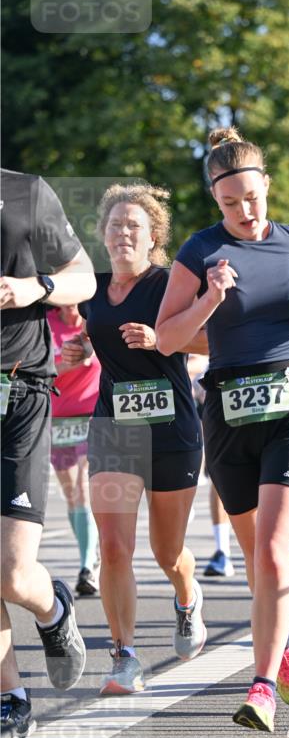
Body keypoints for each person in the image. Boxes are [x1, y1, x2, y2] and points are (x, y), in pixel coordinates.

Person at [155, 126, 289, 733]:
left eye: (253, 198)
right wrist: (209, 299)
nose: (244, 211)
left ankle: (261, 687)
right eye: (230, 202)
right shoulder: (199, 251)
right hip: (229, 410)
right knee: (257, 559)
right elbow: (167, 338)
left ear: (268, 188)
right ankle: (285, 642)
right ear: (216, 199)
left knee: (272, 549)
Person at [61, 183, 205, 694]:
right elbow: (94, 329)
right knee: (114, 546)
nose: (124, 233)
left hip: (171, 431)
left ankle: (187, 597)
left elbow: (212, 337)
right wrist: (83, 348)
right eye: (116, 225)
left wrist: (162, 339)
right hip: (115, 428)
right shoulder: (92, 288)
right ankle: (124, 656)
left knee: (168, 552)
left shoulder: (170, 284)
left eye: (134, 226)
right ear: (103, 235)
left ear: (153, 238)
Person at [1, 168, 95, 738]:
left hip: (21, 391)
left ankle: (53, 607)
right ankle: (10, 697)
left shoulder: (25, 191)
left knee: (12, 572)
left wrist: (34, 287)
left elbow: (82, 278)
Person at [48, 303, 101, 595]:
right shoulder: (47, 324)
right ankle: (90, 551)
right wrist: (70, 364)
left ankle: (86, 566)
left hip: (92, 414)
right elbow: (39, 369)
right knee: (71, 494)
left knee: (83, 487)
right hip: (58, 419)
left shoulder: (95, 321)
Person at [187, 354, 237, 578]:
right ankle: (222, 552)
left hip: (259, 399)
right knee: (220, 477)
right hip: (217, 405)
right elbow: (194, 356)